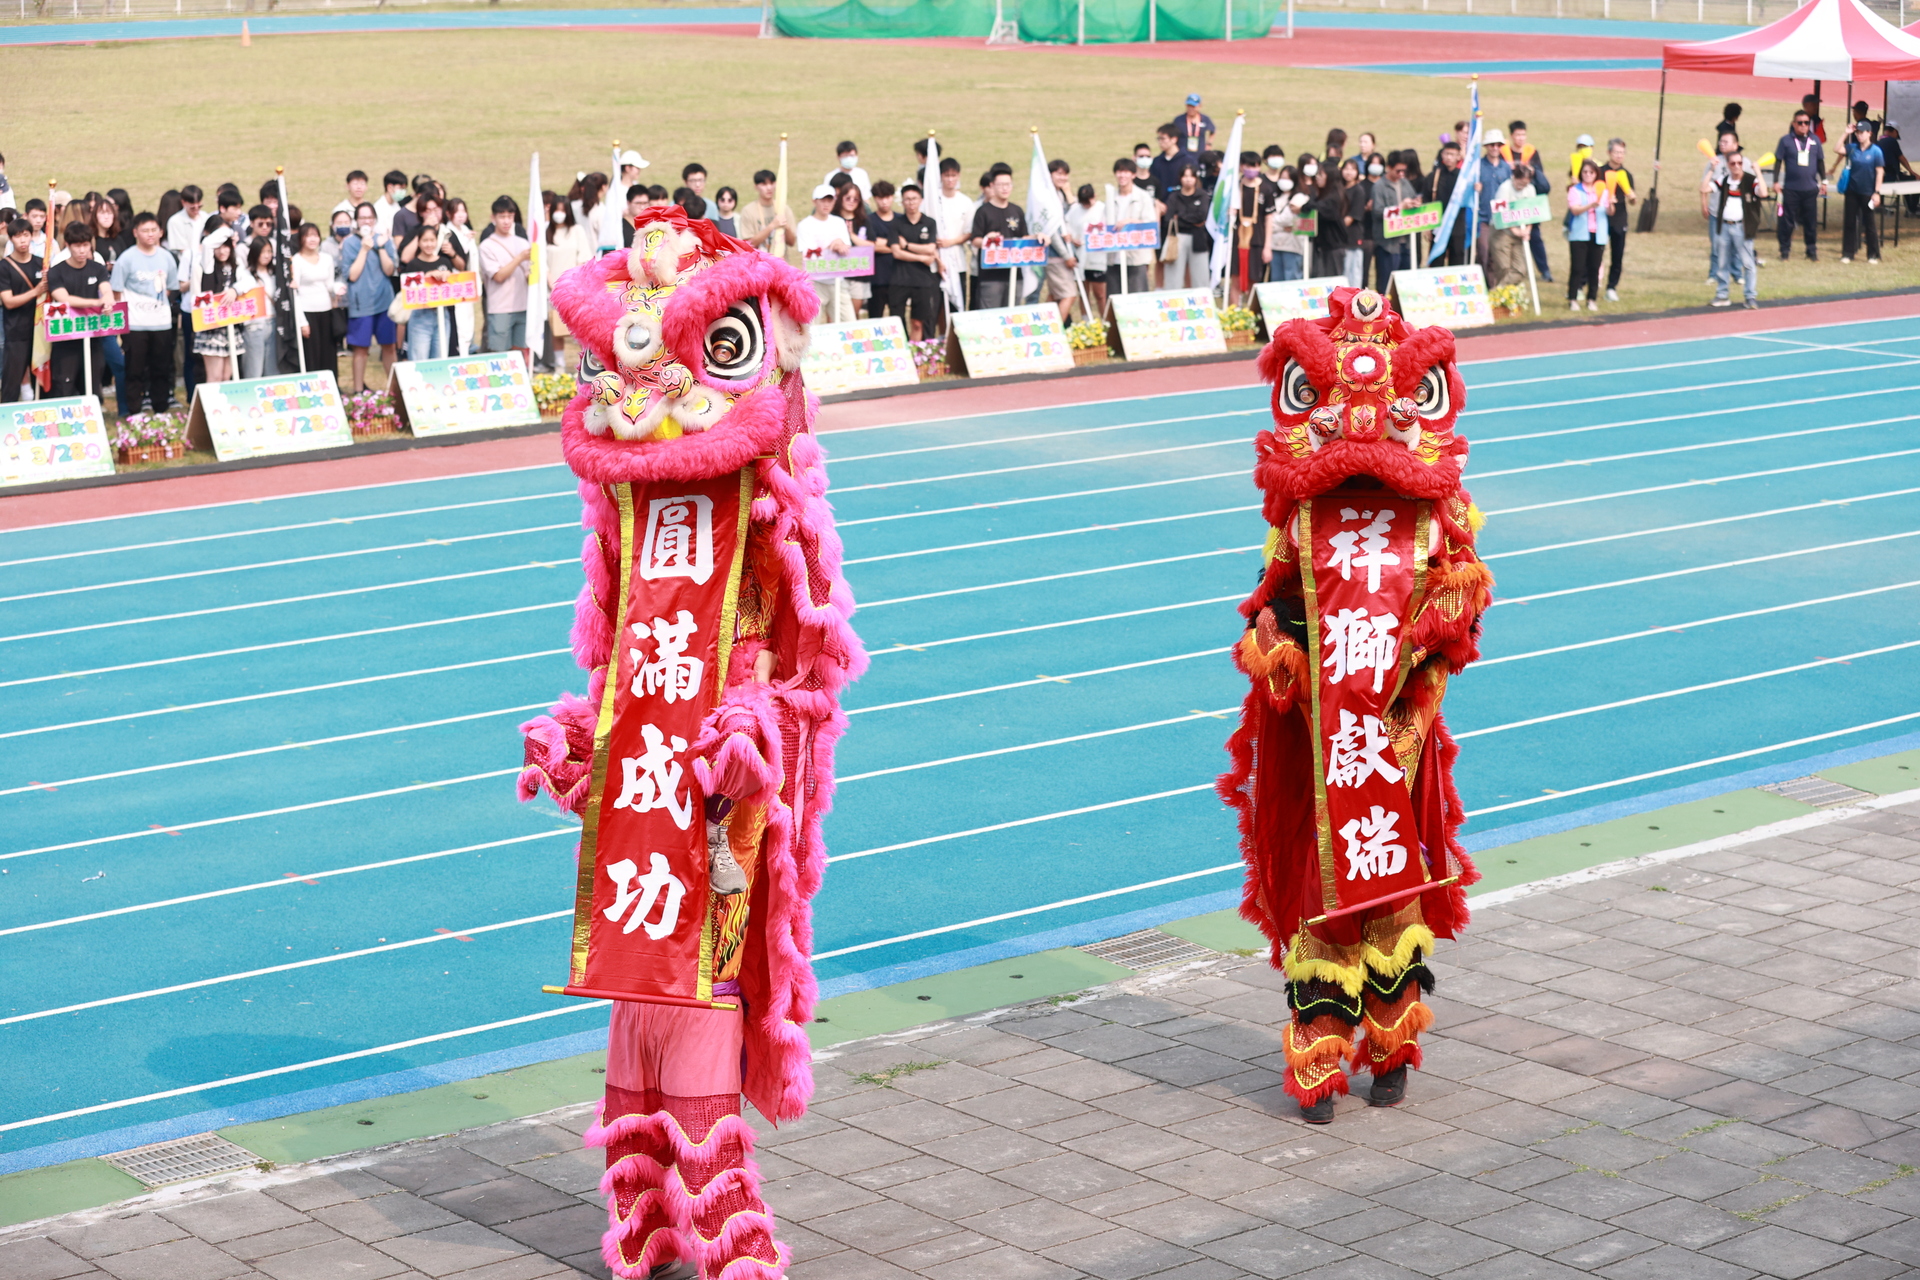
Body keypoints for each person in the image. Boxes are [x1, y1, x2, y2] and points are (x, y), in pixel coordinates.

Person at [1220, 286, 1492, 1127]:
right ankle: (1319, 1055)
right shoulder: (1301, 513)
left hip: (1392, 738)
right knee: (1321, 894)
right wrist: (1281, 660)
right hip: (1319, 736)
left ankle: (1393, 1045)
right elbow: (1268, 609)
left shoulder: (1437, 515)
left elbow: (1459, 614)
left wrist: (1413, 704)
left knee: (1390, 890)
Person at [112, 212, 181, 411]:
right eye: (145, 231)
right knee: (134, 370)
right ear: (135, 232)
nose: (150, 235)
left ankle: (161, 409)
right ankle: (134, 411)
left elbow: (171, 287)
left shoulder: (166, 257)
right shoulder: (127, 258)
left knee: (161, 369)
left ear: (160, 232)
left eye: (154, 230)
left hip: (161, 323)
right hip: (135, 324)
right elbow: (116, 291)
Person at [47, 222, 114, 400]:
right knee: (64, 382)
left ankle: (94, 417)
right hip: (66, 336)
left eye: (85, 245)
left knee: (93, 380)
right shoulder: (56, 272)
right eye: (77, 246)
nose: (82, 250)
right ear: (68, 246)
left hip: (93, 334)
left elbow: (106, 288)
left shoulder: (98, 268)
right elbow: (64, 299)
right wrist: (97, 302)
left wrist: (107, 299)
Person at [340, 201, 399, 392]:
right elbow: (352, 275)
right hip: (361, 305)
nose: (366, 221)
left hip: (384, 302)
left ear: (375, 219)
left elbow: (390, 270)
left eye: (369, 217)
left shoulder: (384, 240)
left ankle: (394, 390)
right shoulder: (349, 243)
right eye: (362, 217)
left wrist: (381, 247)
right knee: (360, 350)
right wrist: (364, 249)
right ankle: (358, 392)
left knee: (389, 347)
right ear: (356, 221)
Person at [478, 195, 533, 369]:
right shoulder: (487, 246)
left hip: (522, 306)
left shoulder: (523, 242)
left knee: (520, 353)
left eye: (510, 216)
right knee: (500, 356)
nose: (506, 221)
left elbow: (528, 275)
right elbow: (499, 276)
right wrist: (519, 258)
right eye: (502, 217)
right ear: (493, 218)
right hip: (500, 308)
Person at [193, 225, 249, 384]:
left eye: (226, 247)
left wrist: (235, 290)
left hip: (231, 325)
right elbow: (208, 243)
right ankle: (211, 408)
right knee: (215, 377)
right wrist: (229, 230)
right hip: (212, 327)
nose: (222, 251)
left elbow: (248, 281)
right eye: (219, 247)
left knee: (226, 377)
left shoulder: (236, 265)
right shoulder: (207, 265)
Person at [1703, 150, 1758, 309]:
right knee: (1722, 263)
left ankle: (1750, 296)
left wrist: (1758, 172)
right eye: (1733, 163)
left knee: (1748, 264)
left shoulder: (1749, 180)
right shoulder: (1724, 180)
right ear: (1728, 165)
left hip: (1742, 227)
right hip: (1725, 226)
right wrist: (1712, 170)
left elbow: (1761, 192)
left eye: (1739, 163)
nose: (1736, 166)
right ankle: (1722, 295)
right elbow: (1704, 188)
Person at [887, 183, 942, 340]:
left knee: (918, 322)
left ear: (921, 200)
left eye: (914, 199)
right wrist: (922, 257)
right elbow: (897, 253)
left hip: (922, 280)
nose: (911, 202)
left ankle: (915, 354)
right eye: (907, 199)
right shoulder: (896, 224)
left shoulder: (929, 223)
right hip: (900, 279)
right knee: (897, 321)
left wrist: (908, 246)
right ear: (902, 202)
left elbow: (931, 248)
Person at [968, 169, 1027, 310]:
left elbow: (1024, 237)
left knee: (1012, 316)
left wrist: (1038, 237)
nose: (1005, 188)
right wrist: (987, 240)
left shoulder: (1016, 210)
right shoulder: (983, 211)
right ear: (992, 186)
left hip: (1014, 273)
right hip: (991, 276)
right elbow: (974, 240)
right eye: (1000, 184)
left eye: (1008, 184)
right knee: (990, 318)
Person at [544, 201, 592, 369]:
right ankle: (559, 366)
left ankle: (586, 365)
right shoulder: (546, 231)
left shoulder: (576, 230)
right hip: (552, 289)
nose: (559, 214)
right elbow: (542, 260)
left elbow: (584, 256)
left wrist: (572, 282)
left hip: (574, 288)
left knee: (579, 329)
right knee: (556, 328)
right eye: (556, 210)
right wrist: (550, 281)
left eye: (562, 210)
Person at [1, 218, 44, 402]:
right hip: (16, 332)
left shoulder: (42, 264)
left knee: (41, 381)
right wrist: (35, 292)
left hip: (40, 330)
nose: (23, 240)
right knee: (11, 382)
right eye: (18, 237)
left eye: (26, 235)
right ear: (11, 239)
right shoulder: (4, 266)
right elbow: (8, 301)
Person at [402, 224, 458, 361]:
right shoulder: (413, 264)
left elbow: (453, 288)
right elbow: (409, 292)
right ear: (419, 242)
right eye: (425, 241)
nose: (429, 244)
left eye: (432, 240)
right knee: (419, 359)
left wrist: (448, 276)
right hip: (420, 316)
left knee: (440, 358)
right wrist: (428, 276)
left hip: (442, 315)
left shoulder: (444, 261)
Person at [1835, 120, 1884, 264]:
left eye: (1862, 133)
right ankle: (1848, 253)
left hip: (1868, 192)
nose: (1859, 135)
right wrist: (1846, 133)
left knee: (1869, 224)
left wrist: (1877, 192)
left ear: (1869, 133)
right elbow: (1837, 149)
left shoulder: (1876, 151)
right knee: (1849, 223)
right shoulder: (1852, 148)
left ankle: (1873, 254)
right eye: (1857, 132)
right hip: (1852, 191)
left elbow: (1880, 172)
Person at [1565, 157, 1612, 311]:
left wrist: (1610, 203)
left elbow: (1610, 212)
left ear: (1596, 174)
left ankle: (1592, 298)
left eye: (1591, 172)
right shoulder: (1575, 190)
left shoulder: (1603, 191)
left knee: (1594, 268)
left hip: (1598, 234)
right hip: (1579, 234)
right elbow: (1575, 210)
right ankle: (1572, 298)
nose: (1588, 175)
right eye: (1585, 172)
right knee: (1578, 267)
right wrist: (1590, 205)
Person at [290, 223, 336, 376]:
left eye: (315, 235)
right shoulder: (296, 260)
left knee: (328, 353)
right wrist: (302, 322)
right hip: (307, 312)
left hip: (326, 311)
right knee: (312, 354)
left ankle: (332, 385)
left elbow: (329, 285)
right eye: (308, 236)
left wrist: (338, 289)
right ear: (301, 239)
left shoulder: (327, 259)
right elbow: (294, 293)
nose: (312, 239)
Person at [1106, 159, 1156, 295]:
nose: (1122, 176)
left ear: (1133, 175)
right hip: (1114, 256)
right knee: (1114, 298)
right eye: (1119, 172)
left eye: (1126, 172)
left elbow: (1150, 224)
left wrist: (1130, 221)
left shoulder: (1143, 197)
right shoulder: (1110, 197)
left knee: (1137, 298)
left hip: (1136, 257)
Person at [1368, 154, 1417, 290]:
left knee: (1406, 283)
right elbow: (1378, 212)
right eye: (1398, 171)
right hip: (1387, 243)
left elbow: (1413, 197)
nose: (1401, 174)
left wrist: (1415, 202)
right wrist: (1399, 208)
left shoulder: (1405, 183)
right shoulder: (1379, 186)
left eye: (1404, 171)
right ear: (1389, 168)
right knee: (1386, 283)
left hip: (1405, 241)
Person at [932, 157, 976, 306]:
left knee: (957, 303)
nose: (950, 179)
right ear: (941, 176)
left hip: (958, 261)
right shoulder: (932, 200)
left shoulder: (965, 202)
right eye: (946, 175)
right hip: (935, 260)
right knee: (937, 306)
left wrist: (951, 242)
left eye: (953, 175)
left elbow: (969, 232)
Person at [1163, 164, 1213, 291]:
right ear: (1180, 178)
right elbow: (1168, 218)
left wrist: (1179, 216)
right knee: (1173, 278)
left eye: (1191, 176)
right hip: (1177, 238)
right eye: (1185, 176)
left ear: (1196, 178)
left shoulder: (1202, 195)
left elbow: (1201, 217)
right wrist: (1189, 218)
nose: (1188, 179)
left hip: (1198, 237)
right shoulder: (1174, 196)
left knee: (1201, 278)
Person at [1486, 164, 1534, 291]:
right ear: (1514, 177)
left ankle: (1496, 292)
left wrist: (1527, 230)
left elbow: (1533, 212)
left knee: (1521, 269)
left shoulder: (1530, 190)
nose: (1522, 187)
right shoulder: (1504, 189)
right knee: (1504, 268)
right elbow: (1500, 214)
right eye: (1519, 183)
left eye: (1525, 184)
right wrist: (1515, 230)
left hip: (1520, 231)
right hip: (1501, 231)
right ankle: (1502, 300)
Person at [1599, 139, 1636, 301]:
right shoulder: (1599, 172)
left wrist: (1632, 197)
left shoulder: (1626, 174)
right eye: (1616, 152)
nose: (1619, 156)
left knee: (1617, 255)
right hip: (1601, 216)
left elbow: (1632, 200)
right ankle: (1585, 284)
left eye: (1622, 153)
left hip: (1619, 218)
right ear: (1609, 153)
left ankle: (1611, 287)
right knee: (1595, 253)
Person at [831, 181, 873, 317]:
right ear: (841, 198)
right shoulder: (832, 219)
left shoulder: (864, 220)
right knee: (834, 314)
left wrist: (851, 235)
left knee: (852, 316)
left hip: (859, 275)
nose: (851, 202)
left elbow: (871, 245)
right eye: (848, 198)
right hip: (837, 274)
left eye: (855, 199)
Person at [240, 236, 280, 379]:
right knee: (254, 370)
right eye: (263, 252)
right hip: (254, 325)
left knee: (272, 370)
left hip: (273, 322)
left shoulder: (274, 274)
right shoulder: (245, 274)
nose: (267, 255)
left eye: (269, 251)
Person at [1066, 183, 1105, 322]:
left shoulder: (1102, 209)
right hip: (1079, 256)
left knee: (1100, 293)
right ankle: (1086, 321)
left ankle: (1105, 320)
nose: (1086, 206)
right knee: (1083, 292)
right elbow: (1067, 227)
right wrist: (1072, 239)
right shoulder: (1075, 209)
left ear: (1094, 196)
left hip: (1097, 257)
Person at [1425, 142, 1468, 266]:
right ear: (1442, 155)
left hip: (1458, 225)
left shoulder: (1464, 177)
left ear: (1458, 157)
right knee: (1436, 262)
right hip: (1438, 226)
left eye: (1452, 154)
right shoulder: (1434, 176)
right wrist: (1428, 227)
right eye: (1447, 154)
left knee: (1457, 261)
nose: (1449, 157)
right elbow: (1427, 200)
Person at [1472, 129, 1511, 265]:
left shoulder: (1506, 168)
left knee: (1498, 255)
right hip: (1483, 217)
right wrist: (1475, 188)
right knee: (1484, 252)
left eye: (1498, 145)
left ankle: (1493, 285)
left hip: (1501, 218)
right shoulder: (1477, 167)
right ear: (1486, 146)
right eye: (1491, 145)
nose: (1495, 148)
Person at [736, 170, 794, 258]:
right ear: (756, 187)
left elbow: (792, 242)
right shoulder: (748, 211)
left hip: (781, 264)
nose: (769, 188)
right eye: (764, 184)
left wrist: (787, 227)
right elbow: (749, 244)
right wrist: (772, 226)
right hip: (758, 265)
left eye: (771, 183)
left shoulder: (784, 209)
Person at [1265, 172, 1311, 283]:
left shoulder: (1299, 198)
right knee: (1276, 280)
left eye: (1287, 178)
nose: (1284, 181)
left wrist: (1272, 223)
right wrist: (1280, 227)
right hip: (1275, 245)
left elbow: (1288, 219)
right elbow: (1267, 221)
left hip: (1292, 246)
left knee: (1291, 278)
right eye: (1282, 178)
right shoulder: (1276, 197)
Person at [864, 181, 899, 319]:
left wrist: (883, 244)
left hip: (897, 278)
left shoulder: (901, 219)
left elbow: (907, 242)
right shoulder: (869, 220)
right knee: (875, 317)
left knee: (897, 318)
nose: (884, 201)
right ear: (874, 198)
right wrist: (896, 245)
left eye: (887, 197)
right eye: (880, 197)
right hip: (876, 278)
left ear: (892, 197)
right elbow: (871, 245)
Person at [1337, 158, 1368, 287]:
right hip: (1339, 239)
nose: (1348, 172)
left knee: (1353, 272)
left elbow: (1352, 216)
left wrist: (1336, 228)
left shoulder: (1358, 191)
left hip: (1352, 237)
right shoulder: (1339, 189)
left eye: (1352, 169)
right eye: (1346, 169)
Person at [1148, 125, 1190, 207]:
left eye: (1163, 139)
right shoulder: (1157, 161)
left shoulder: (1186, 161)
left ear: (1174, 139)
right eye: (1158, 139)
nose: (1160, 142)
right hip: (1160, 207)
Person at [373, 170, 410, 238]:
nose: (403, 192)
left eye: (404, 189)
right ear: (389, 187)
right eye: (400, 188)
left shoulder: (397, 206)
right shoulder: (378, 208)